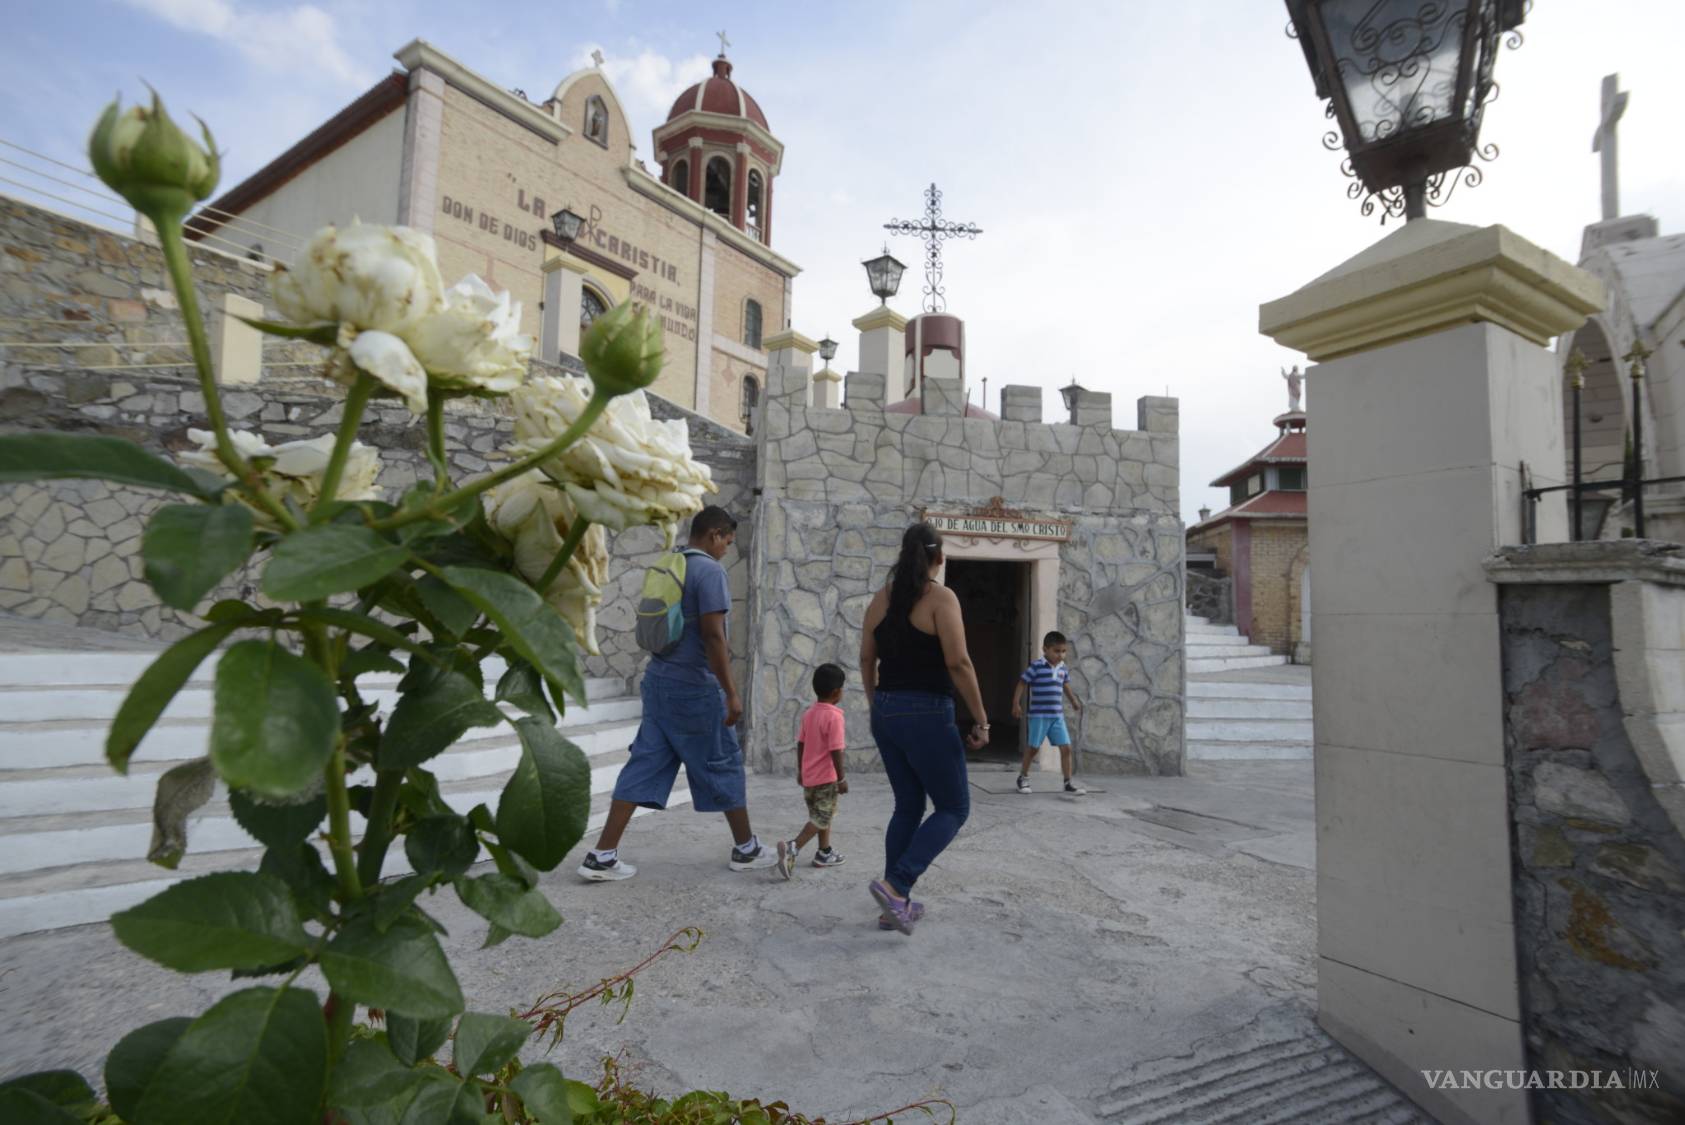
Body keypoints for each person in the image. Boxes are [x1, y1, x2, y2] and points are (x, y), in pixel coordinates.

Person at [577, 506, 777, 880]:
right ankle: (747, 849)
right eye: (727, 542)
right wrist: (731, 692)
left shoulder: (670, 562)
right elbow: (714, 636)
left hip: (658, 681)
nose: (727, 550)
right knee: (723, 761)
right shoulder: (709, 571)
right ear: (715, 534)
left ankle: (602, 854)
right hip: (694, 687)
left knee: (645, 762)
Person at [858, 522, 988, 935]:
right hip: (928, 711)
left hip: (887, 712)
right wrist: (982, 718)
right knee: (953, 807)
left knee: (908, 806)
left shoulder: (880, 600)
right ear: (939, 557)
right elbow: (959, 662)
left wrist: (875, 702)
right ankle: (897, 885)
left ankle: (892, 907)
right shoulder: (940, 598)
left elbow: (866, 659)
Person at [775, 663, 849, 879]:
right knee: (822, 817)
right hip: (827, 779)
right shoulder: (834, 716)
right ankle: (793, 847)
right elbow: (836, 749)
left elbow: (801, 744)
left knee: (821, 815)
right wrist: (841, 778)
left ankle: (824, 852)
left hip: (809, 778)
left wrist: (801, 770)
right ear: (837, 692)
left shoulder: (809, 713)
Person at [1011, 630, 1086, 795]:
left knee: (1066, 747)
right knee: (1033, 748)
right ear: (1045, 650)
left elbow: (1065, 685)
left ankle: (1067, 783)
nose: (1061, 655)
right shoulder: (1037, 666)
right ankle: (1023, 777)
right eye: (1057, 651)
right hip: (1038, 715)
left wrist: (1073, 700)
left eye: (1063, 651)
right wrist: (1016, 703)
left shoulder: (1062, 668)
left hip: (1056, 716)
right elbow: (1022, 682)